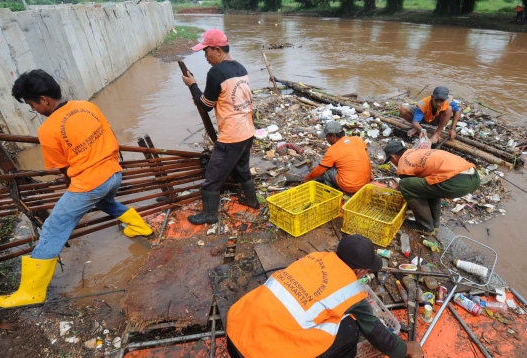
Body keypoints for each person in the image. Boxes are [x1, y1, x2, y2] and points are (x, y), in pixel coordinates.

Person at [0, 70, 153, 308]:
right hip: (114, 174)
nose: (34, 110)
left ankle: (31, 292)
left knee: (52, 229)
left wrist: (76, 190)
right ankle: (139, 225)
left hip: (90, 183)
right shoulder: (87, 106)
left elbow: (63, 169)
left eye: (31, 105)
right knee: (104, 201)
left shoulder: (47, 130)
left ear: (44, 99)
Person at [226, 234, 424, 358]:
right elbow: (379, 335)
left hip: (235, 332)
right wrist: (407, 349)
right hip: (259, 354)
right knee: (350, 326)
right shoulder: (350, 291)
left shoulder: (313, 258)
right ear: (359, 271)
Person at [181, 29, 258, 225]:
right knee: (241, 168)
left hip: (232, 136)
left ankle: (209, 215)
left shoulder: (216, 72)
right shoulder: (241, 68)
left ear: (217, 49)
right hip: (248, 130)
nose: (206, 57)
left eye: (206, 51)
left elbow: (206, 106)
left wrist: (193, 85)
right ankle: (252, 200)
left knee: (212, 177)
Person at [383, 141, 480, 235]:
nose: (392, 163)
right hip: (474, 177)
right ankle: (434, 223)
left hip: (457, 182)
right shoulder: (416, 152)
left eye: (390, 160)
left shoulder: (404, 163)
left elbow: (408, 188)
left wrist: (393, 198)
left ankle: (425, 226)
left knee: (405, 184)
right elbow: (423, 188)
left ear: (393, 156)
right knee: (429, 184)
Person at [301, 121, 372, 195]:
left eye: (327, 137)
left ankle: (332, 188)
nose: (326, 139)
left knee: (324, 171)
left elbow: (319, 170)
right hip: (366, 181)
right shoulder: (358, 139)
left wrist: (307, 177)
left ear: (333, 136)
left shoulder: (333, 150)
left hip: (350, 186)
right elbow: (366, 159)